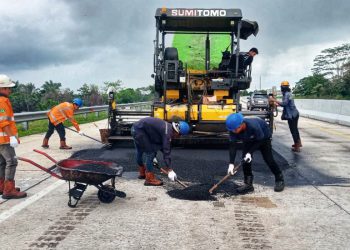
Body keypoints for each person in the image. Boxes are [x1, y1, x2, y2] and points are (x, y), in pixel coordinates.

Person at [226, 112, 284, 194]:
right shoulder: (233, 129)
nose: (234, 132)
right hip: (249, 139)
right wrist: (231, 164)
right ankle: (248, 185)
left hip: (263, 138)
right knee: (245, 160)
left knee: (268, 159)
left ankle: (279, 179)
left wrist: (250, 153)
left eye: (236, 129)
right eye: (233, 130)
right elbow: (233, 146)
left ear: (242, 124)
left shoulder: (253, 126)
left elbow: (260, 140)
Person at [131, 117, 190, 186]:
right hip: (140, 132)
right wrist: (169, 169)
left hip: (135, 129)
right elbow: (166, 151)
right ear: (177, 131)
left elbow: (159, 144)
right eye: (180, 135)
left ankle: (142, 173)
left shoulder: (168, 127)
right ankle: (149, 179)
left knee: (140, 151)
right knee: (150, 153)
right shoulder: (168, 133)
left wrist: (155, 157)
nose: (178, 137)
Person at [0, 74, 27, 199]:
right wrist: (11, 137)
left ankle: (2, 186)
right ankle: (9, 190)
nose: (10, 90)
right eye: (8, 88)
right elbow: (4, 122)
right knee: (11, 162)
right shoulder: (2, 102)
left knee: (2, 162)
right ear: (2, 88)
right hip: (4, 139)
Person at [270, 81, 301, 152]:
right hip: (294, 114)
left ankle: (297, 146)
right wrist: (277, 104)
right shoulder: (287, 94)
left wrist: (273, 100)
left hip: (292, 115)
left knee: (293, 130)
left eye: (282, 87)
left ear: (283, 88)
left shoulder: (287, 94)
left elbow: (284, 103)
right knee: (295, 129)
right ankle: (298, 143)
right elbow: (286, 104)